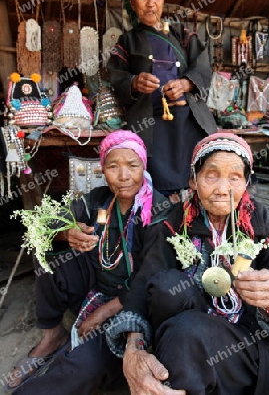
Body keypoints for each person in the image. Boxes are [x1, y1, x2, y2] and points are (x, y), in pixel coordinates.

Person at [106, 132, 269, 395]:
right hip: (187, 340)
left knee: (188, 333)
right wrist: (133, 349)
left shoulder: (267, 227)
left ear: (246, 183)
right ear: (193, 181)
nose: (222, 189)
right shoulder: (170, 224)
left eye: (234, 177)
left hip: (250, 353)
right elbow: (142, 288)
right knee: (167, 288)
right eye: (211, 175)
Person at [7, 130, 173, 394]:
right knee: (48, 255)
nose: (123, 175)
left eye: (133, 165)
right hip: (95, 287)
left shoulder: (157, 211)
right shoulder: (99, 200)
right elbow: (44, 225)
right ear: (102, 169)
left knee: (84, 364)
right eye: (113, 166)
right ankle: (52, 337)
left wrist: (104, 312)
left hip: (133, 306)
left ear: (144, 166)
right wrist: (67, 233)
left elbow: (150, 277)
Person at [107, 0, 217, 199]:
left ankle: (195, 229)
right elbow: (116, 76)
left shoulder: (182, 34)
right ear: (133, 2)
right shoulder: (127, 41)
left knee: (199, 180)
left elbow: (203, 64)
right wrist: (135, 82)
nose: (150, 2)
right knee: (157, 189)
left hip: (188, 123)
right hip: (151, 126)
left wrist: (186, 83)